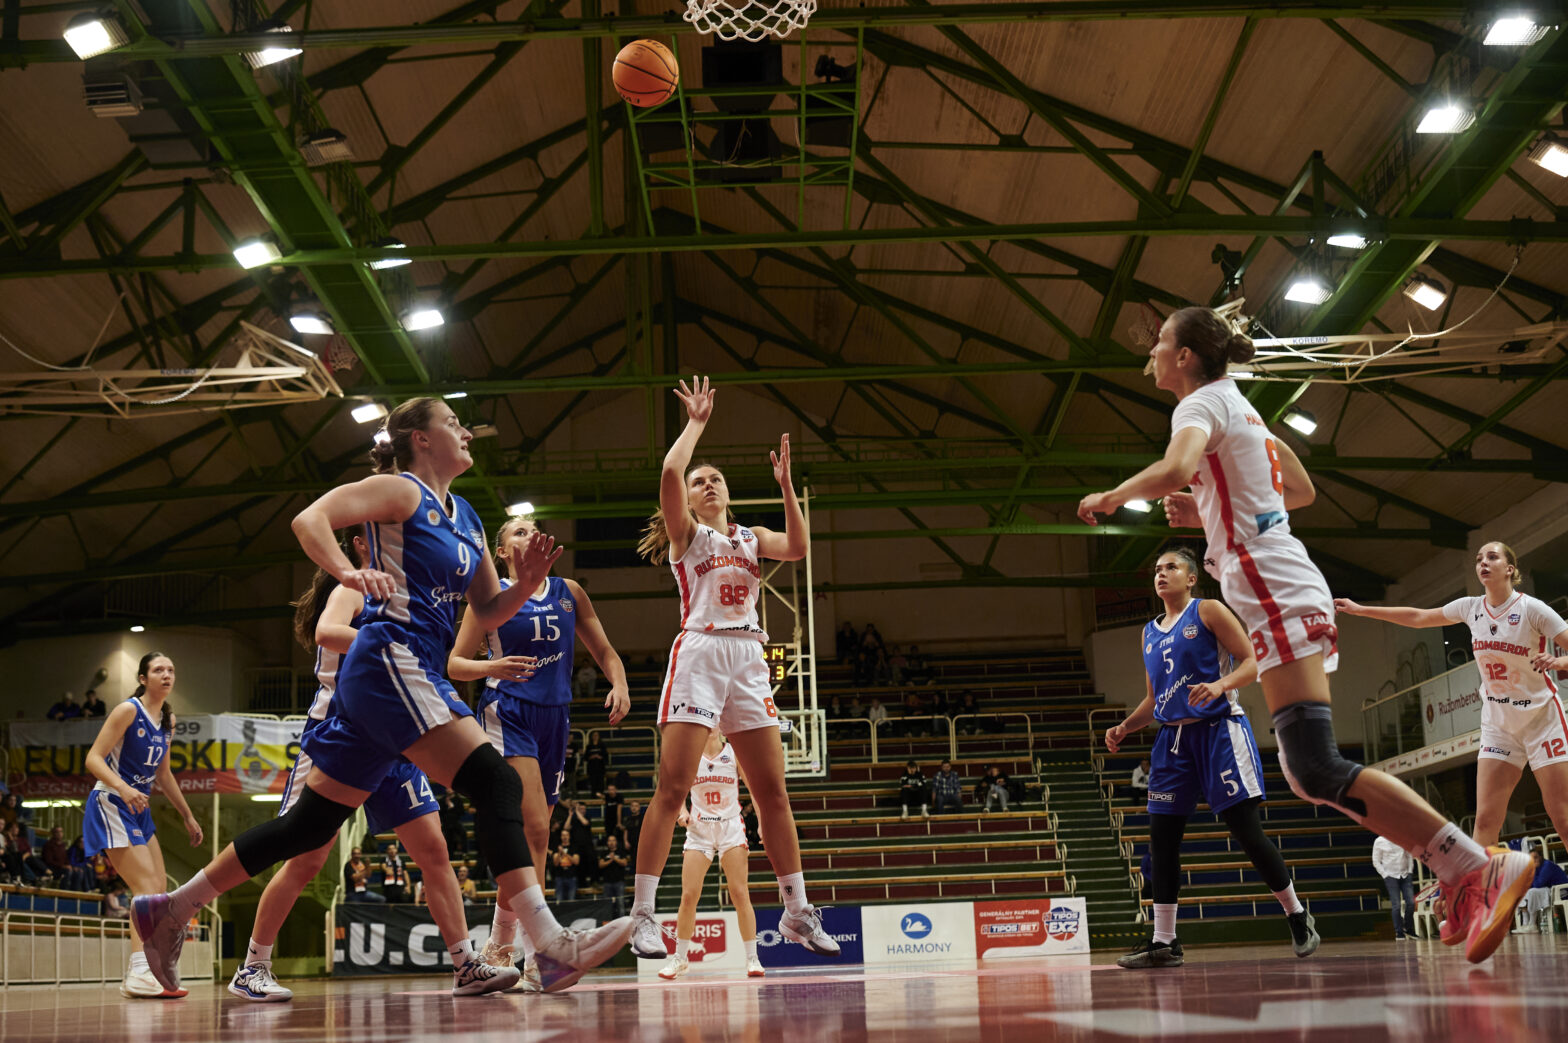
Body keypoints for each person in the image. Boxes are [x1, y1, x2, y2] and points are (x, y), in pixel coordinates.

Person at [129, 397, 631, 999]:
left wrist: (524, 586)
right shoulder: (399, 491)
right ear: (419, 438)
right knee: (498, 784)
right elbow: (309, 520)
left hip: (405, 673)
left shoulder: (467, 515)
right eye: (452, 423)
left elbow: (489, 608)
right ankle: (547, 945)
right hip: (392, 659)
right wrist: (346, 573)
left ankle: (170, 911)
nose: (465, 431)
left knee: (308, 828)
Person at [1077, 304, 1531, 964]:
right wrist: (1211, 504)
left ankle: (1472, 866)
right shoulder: (1243, 407)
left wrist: (1114, 495)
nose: (1150, 355)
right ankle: (1462, 866)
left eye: (1160, 345)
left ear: (1184, 358)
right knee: (1304, 770)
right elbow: (1304, 490)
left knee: (1313, 764)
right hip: (1282, 574)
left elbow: (1177, 468)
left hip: (1271, 582)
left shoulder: (1196, 405)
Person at [231, 532, 520, 1003]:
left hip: (397, 733)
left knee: (434, 851)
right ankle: (253, 966)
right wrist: (393, 643)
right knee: (306, 858)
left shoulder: (403, 593)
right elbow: (329, 633)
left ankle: (466, 965)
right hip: (341, 730)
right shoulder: (352, 588)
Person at [628, 376, 838, 960]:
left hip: (748, 657)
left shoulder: (749, 537)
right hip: (699, 652)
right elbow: (670, 475)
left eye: (715, 477)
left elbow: (797, 548)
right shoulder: (687, 536)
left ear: (728, 493)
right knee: (671, 790)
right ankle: (643, 915)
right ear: (690, 501)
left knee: (773, 792)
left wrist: (788, 487)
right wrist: (695, 424)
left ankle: (797, 911)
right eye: (701, 481)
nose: (707, 482)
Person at [448, 512, 630, 992]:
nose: (530, 534)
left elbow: (606, 650)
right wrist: (496, 665)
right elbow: (453, 664)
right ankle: (538, 954)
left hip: (557, 717)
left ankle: (502, 944)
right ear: (504, 552)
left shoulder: (570, 591)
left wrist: (620, 682)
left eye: (534, 528)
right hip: (507, 711)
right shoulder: (490, 600)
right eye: (519, 531)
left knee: (538, 840)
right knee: (534, 825)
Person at [1335, 541, 1568, 849]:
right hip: (1499, 725)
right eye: (1479, 558)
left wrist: (1559, 661)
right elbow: (1419, 617)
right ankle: (1483, 896)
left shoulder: (1531, 609)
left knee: (1561, 816)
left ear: (1509, 569)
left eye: (1492, 557)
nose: (1483, 562)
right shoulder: (1470, 608)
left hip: (1541, 719)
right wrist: (1363, 610)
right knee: (1485, 820)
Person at [83, 652, 204, 998]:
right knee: (145, 889)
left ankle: (151, 970)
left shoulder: (167, 720)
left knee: (160, 889)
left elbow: (163, 774)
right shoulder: (127, 710)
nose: (167, 674)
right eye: (158, 670)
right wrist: (124, 787)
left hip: (139, 808)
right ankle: (139, 971)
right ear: (142, 678)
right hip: (111, 800)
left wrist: (187, 815)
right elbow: (92, 758)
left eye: (171, 669)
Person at [659, 730, 765, 980]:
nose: (712, 725)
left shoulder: (734, 752)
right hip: (699, 830)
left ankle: (752, 958)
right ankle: (680, 958)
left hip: (730, 827)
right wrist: (681, 812)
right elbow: (676, 790)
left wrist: (762, 823)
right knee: (688, 896)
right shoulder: (690, 755)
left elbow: (756, 790)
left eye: (716, 720)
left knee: (739, 893)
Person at [1373, 835, 1416, 940]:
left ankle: (1408, 928)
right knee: (1396, 905)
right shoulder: (1379, 841)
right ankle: (1399, 932)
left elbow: (1409, 855)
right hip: (1391, 876)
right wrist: (1385, 875)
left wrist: (1410, 871)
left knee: (1411, 902)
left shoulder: (1402, 838)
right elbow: (1376, 861)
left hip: (1405, 875)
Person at [1516, 847, 1568, 932]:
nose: (1534, 860)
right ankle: (1525, 924)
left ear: (1541, 857)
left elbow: (1538, 884)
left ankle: (1532, 924)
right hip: (1549, 889)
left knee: (1532, 892)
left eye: (1535, 857)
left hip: (1561, 890)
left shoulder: (1547, 865)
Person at [599, 835, 628, 914]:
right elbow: (601, 864)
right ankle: (607, 922)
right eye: (609, 841)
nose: (611, 842)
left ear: (616, 842)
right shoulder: (604, 853)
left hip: (619, 882)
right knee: (607, 904)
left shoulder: (621, 852)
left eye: (613, 840)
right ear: (607, 843)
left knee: (620, 904)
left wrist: (614, 858)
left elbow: (624, 863)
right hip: (607, 882)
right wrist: (611, 860)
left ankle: (622, 923)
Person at [551, 828, 579, 901]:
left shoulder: (574, 847)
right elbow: (556, 863)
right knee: (559, 900)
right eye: (563, 835)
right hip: (559, 877)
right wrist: (560, 853)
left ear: (569, 836)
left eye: (566, 835)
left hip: (571, 877)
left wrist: (564, 853)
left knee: (571, 900)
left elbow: (576, 862)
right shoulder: (556, 848)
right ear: (561, 837)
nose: (565, 837)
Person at [584, 731, 609, 799]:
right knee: (593, 783)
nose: (595, 737)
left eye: (596, 735)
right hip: (592, 768)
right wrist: (591, 757)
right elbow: (585, 757)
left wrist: (600, 757)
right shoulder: (589, 746)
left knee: (600, 782)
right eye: (594, 735)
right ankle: (593, 796)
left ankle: (601, 795)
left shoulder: (602, 745)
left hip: (600, 767)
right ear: (592, 737)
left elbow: (605, 756)